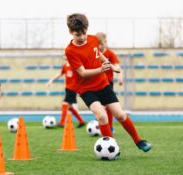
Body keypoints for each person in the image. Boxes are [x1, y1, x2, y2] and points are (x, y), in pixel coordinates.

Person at [65, 13, 152, 152]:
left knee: (120, 115)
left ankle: (139, 141)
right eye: (77, 34)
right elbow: (82, 73)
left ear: (87, 29)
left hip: (103, 85)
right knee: (102, 116)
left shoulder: (93, 40)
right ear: (70, 32)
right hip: (86, 89)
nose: (81, 37)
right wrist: (101, 69)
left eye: (84, 33)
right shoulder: (70, 51)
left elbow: (98, 54)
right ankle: (113, 147)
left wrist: (110, 66)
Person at [96, 32, 124, 134]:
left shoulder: (110, 54)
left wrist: (120, 78)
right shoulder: (94, 54)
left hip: (108, 84)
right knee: (99, 107)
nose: (99, 46)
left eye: (101, 43)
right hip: (96, 83)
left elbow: (117, 67)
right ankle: (101, 125)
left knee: (109, 106)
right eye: (97, 44)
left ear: (105, 42)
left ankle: (110, 127)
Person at [46, 60, 85, 128]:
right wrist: (51, 80)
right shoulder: (65, 66)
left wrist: (80, 87)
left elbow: (80, 75)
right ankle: (81, 121)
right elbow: (60, 74)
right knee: (69, 106)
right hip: (68, 88)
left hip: (72, 88)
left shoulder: (74, 65)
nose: (65, 55)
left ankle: (62, 123)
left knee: (64, 104)